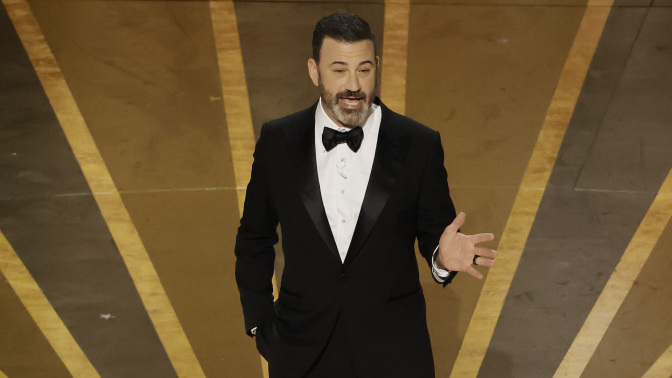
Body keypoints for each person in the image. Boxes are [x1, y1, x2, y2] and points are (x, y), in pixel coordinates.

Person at [235, 12, 497, 378]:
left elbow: (437, 235)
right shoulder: (278, 141)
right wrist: (260, 324)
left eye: (364, 69)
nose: (353, 85)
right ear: (314, 71)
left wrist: (442, 259)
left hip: (395, 354)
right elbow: (254, 238)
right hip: (301, 352)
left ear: (377, 67)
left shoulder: (418, 144)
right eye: (339, 70)